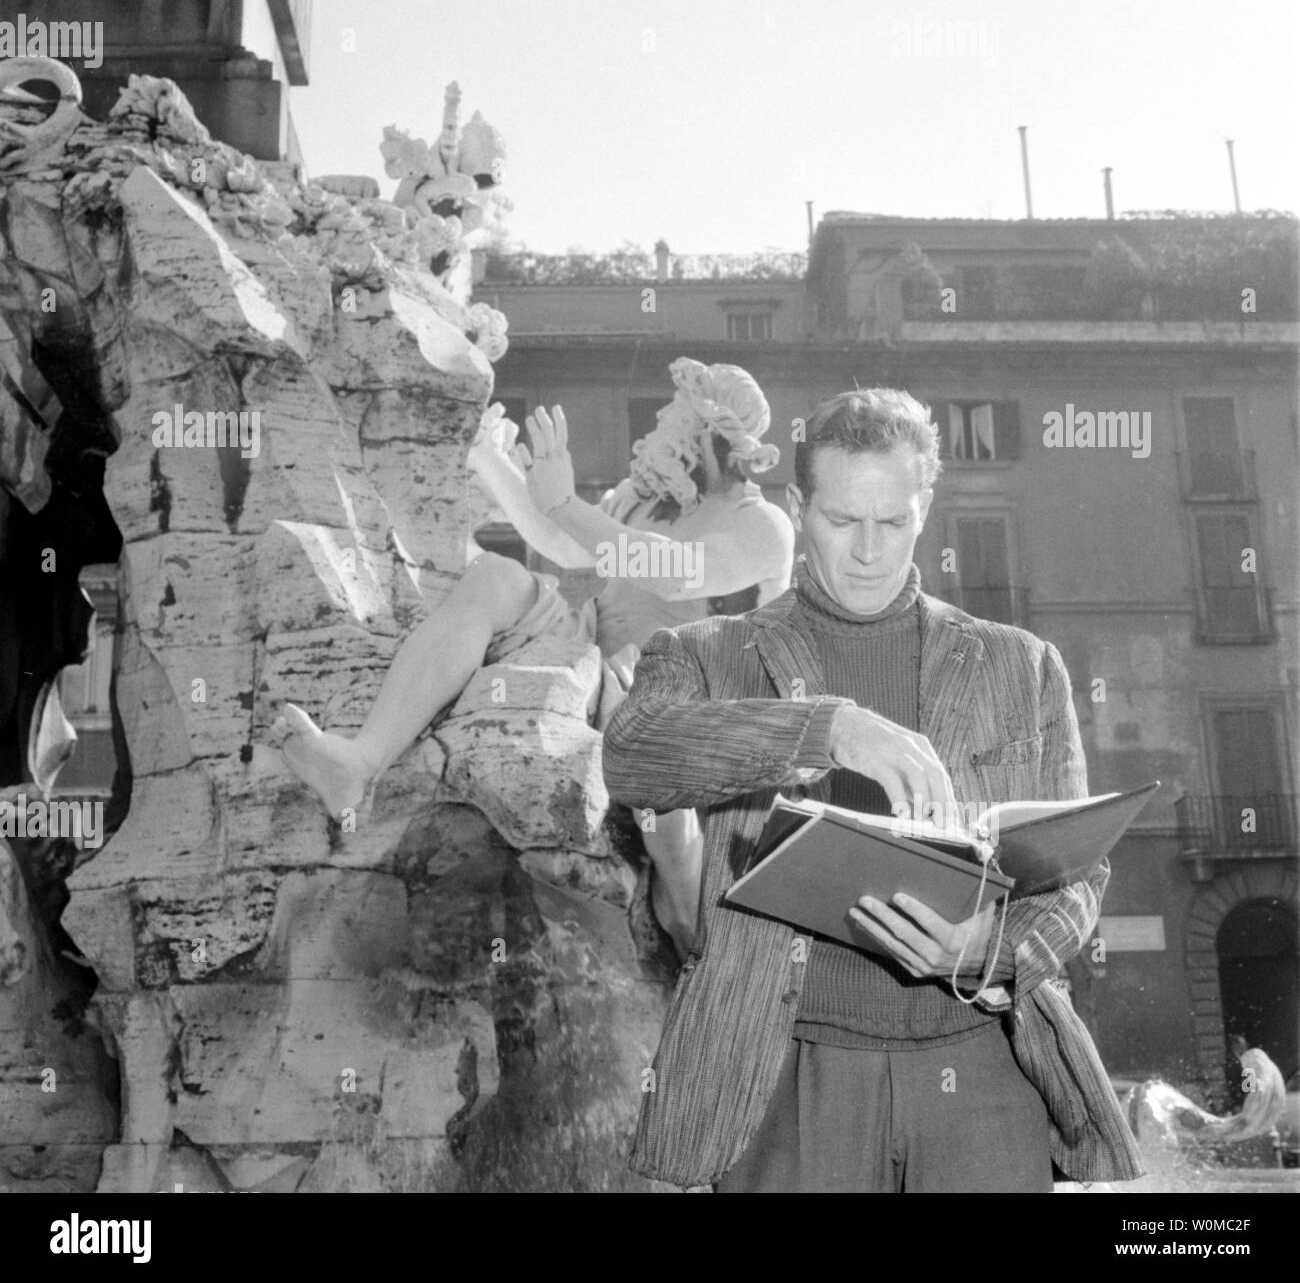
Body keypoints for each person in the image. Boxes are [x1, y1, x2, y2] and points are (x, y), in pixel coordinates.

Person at [602, 386, 1144, 1192]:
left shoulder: (1022, 665)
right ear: (797, 505)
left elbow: (1077, 878)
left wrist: (987, 950)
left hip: (985, 1071)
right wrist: (827, 730)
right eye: (841, 520)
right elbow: (633, 754)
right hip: (783, 1076)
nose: (867, 550)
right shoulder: (706, 653)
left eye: (891, 522)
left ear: (924, 509)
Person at [276, 358, 793, 952]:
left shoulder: (762, 524)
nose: (655, 423)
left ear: (707, 431)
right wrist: (486, 456)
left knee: (665, 791)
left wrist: (568, 502)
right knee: (495, 576)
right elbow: (557, 542)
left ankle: (691, 927)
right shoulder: (639, 502)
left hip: (680, 693)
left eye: (672, 413)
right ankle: (358, 763)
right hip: (595, 655)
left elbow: (675, 576)